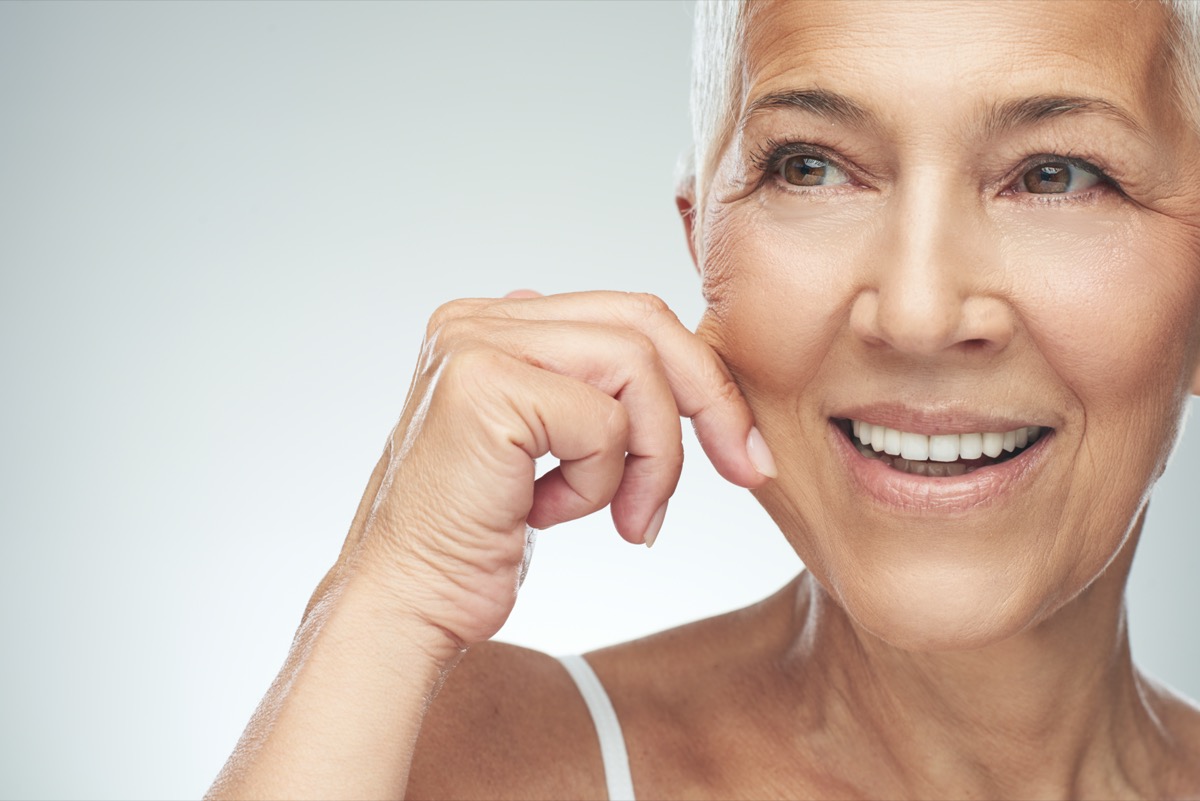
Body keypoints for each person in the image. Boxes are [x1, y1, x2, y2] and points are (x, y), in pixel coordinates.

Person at [207, 0, 1200, 797]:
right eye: (809, 168)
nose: (917, 311)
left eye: (1059, 176)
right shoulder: (497, 763)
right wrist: (384, 601)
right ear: (702, 247)